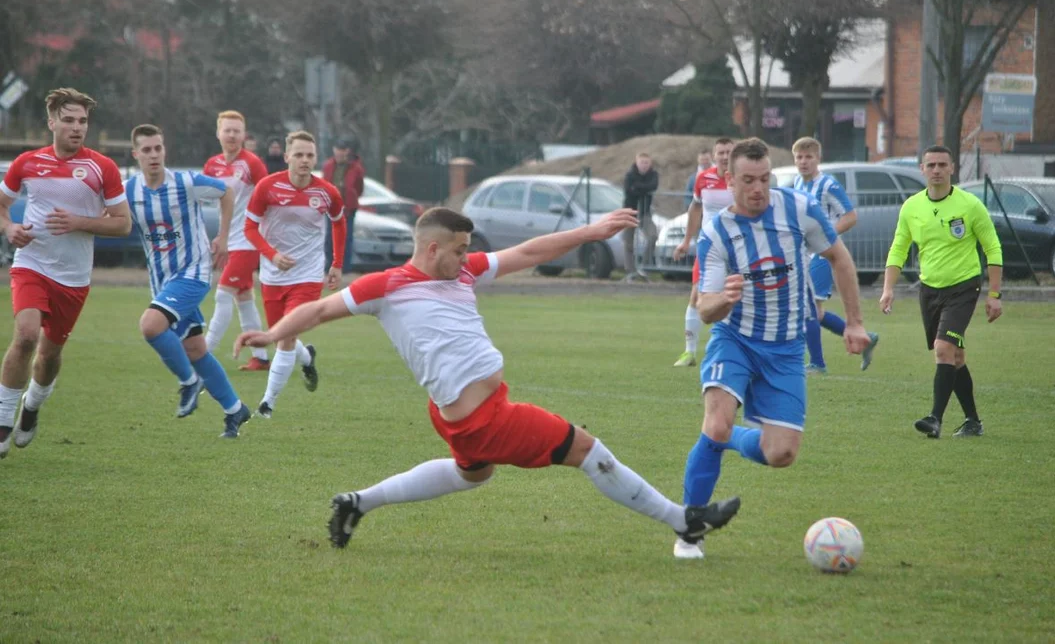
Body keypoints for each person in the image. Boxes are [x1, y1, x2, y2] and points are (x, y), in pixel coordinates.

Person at [235, 207, 742, 551]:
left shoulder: (462, 272)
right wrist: (271, 333)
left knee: (472, 475)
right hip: (486, 419)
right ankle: (685, 521)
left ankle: (356, 503)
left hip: (459, 416)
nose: (466, 257)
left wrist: (589, 233)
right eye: (458, 249)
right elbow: (320, 309)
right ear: (432, 249)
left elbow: (527, 253)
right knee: (588, 450)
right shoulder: (384, 287)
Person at [675, 138, 870, 559]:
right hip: (735, 339)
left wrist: (854, 321)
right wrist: (723, 299)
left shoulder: (798, 209)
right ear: (730, 181)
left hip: (784, 348)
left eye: (764, 179)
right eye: (747, 180)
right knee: (716, 422)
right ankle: (690, 529)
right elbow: (705, 308)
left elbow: (840, 258)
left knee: (780, 453)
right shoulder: (716, 232)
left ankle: (723, 440)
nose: (758, 188)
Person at [0, 88, 132, 458]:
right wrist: (10, 229)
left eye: (83, 121)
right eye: (69, 120)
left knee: (49, 356)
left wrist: (80, 222)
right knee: (25, 336)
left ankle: (32, 406)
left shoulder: (101, 167)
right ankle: (3, 421)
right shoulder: (26, 163)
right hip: (32, 264)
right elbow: (2, 206)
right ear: (52, 122)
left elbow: (123, 225)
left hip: (73, 278)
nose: (77, 128)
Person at [125, 124, 252, 438]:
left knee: (150, 325)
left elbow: (227, 192)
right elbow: (111, 217)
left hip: (194, 273)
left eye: (158, 148)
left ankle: (189, 382)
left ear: (164, 150)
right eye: (147, 150)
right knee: (195, 349)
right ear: (136, 154)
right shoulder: (129, 191)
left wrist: (222, 238)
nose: (154, 155)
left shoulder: (186, 182)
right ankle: (236, 411)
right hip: (163, 282)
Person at [880, 145, 1003, 439]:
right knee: (955, 357)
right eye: (931, 165)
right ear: (922, 169)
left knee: (943, 348)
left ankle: (935, 418)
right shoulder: (911, 207)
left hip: (964, 287)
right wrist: (888, 289)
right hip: (930, 289)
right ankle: (973, 421)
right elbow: (898, 248)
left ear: (952, 169)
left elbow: (993, 248)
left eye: (941, 165)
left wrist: (994, 295)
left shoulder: (970, 205)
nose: (936, 170)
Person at [244, 131, 345, 418]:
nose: (304, 160)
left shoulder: (327, 192)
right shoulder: (267, 187)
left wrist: (336, 264)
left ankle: (267, 403)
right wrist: (272, 255)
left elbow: (339, 223)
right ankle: (307, 356)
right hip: (273, 276)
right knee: (281, 336)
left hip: (308, 275)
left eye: (310, 155)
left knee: (285, 338)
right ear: (287, 156)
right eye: (298, 155)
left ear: (316, 158)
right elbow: (249, 229)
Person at [791, 137, 880, 374]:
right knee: (815, 312)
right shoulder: (797, 185)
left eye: (808, 157)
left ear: (818, 159)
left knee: (810, 308)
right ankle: (865, 340)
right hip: (805, 254)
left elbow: (850, 216)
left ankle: (817, 364)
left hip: (823, 254)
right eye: (799, 157)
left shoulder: (828, 185)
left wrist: (825, 236)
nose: (803, 162)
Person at [202, 111, 271, 370]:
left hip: (248, 241)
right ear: (218, 133)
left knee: (222, 295)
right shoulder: (212, 165)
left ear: (244, 135)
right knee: (244, 299)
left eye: (237, 131)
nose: (231, 135)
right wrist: (220, 237)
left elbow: (268, 196)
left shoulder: (252, 164)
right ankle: (262, 358)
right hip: (229, 240)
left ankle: (204, 354)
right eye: (227, 130)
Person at [672, 137, 735, 366]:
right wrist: (687, 240)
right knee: (697, 295)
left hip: (737, 247)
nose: (725, 156)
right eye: (721, 152)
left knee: (733, 298)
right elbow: (696, 207)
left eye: (729, 152)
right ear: (714, 155)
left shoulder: (740, 179)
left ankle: (726, 349)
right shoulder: (703, 178)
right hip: (709, 246)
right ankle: (689, 352)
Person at [321, 136, 365, 274]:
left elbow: (359, 187)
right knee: (329, 238)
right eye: (338, 149)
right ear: (334, 150)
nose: (340, 152)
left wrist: (351, 198)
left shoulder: (356, 167)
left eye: (343, 149)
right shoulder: (328, 166)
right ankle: (329, 265)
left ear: (348, 151)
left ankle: (344, 267)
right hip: (332, 207)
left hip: (348, 208)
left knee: (347, 238)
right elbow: (324, 184)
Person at [622, 152, 659, 282]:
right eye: (642, 162)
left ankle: (644, 266)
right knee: (628, 243)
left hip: (645, 213)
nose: (644, 165)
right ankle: (630, 271)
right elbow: (629, 189)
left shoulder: (653, 175)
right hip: (630, 212)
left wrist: (638, 187)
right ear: (636, 162)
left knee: (653, 235)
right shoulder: (629, 174)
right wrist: (642, 189)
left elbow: (653, 186)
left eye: (646, 163)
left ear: (650, 164)